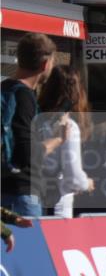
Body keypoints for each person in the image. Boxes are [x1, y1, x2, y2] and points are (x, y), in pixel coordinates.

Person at [1, 33, 64, 216]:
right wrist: (58, 139)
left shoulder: (4, 88)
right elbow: (28, 152)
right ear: (45, 65)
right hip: (22, 192)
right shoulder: (25, 96)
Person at [34, 66, 93, 218]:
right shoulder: (69, 126)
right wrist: (86, 183)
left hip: (32, 195)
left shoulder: (35, 119)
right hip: (57, 205)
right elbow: (73, 175)